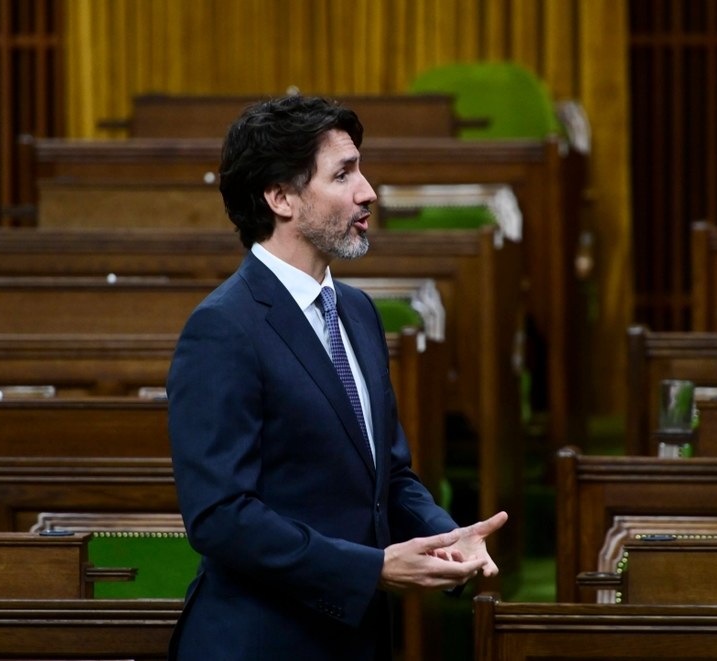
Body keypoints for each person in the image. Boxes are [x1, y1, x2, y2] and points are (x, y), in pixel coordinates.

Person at [166, 94, 508, 661]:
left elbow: (388, 476)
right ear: (280, 199)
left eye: (360, 169)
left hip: (356, 639)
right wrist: (371, 568)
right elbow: (220, 518)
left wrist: (448, 540)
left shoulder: (357, 312)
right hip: (263, 642)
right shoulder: (222, 329)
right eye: (343, 174)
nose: (368, 190)